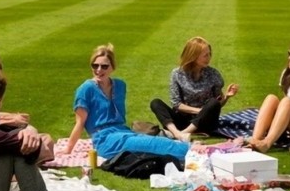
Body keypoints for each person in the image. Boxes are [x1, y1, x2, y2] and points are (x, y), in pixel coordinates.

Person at [61, 44, 192, 161]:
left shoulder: (119, 86)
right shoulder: (86, 89)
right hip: (105, 140)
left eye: (104, 66)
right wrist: (68, 150)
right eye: (95, 66)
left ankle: (190, 150)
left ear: (112, 67)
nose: (99, 70)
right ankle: (193, 152)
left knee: (150, 142)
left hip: (123, 131)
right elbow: (79, 123)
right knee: (150, 144)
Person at [150, 36, 238, 142]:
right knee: (156, 103)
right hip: (183, 120)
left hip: (205, 123)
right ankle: (177, 133)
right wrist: (200, 111)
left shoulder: (213, 74)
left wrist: (227, 97)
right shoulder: (177, 74)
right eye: (205, 55)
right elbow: (177, 104)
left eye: (209, 54)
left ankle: (182, 133)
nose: (209, 58)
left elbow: (216, 106)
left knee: (213, 102)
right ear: (193, 56)